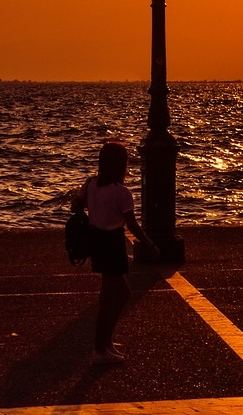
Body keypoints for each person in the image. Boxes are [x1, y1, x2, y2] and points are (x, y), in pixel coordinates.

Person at [72, 140, 159, 365]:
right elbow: (132, 225)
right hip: (113, 243)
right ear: (122, 165)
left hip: (96, 242)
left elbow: (76, 206)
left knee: (108, 296)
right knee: (119, 296)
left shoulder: (91, 183)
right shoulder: (122, 192)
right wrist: (149, 244)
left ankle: (105, 342)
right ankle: (100, 347)